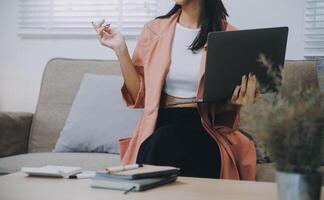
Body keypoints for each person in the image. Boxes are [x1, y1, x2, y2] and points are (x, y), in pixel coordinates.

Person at [93, 0, 257, 180]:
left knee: (166, 141)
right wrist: (120, 50)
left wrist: (234, 104)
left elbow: (222, 115)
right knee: (164, 139)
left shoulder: (228, 36)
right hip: (158, 125)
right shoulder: (154, 29)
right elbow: (139, 96)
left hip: (204, 129)